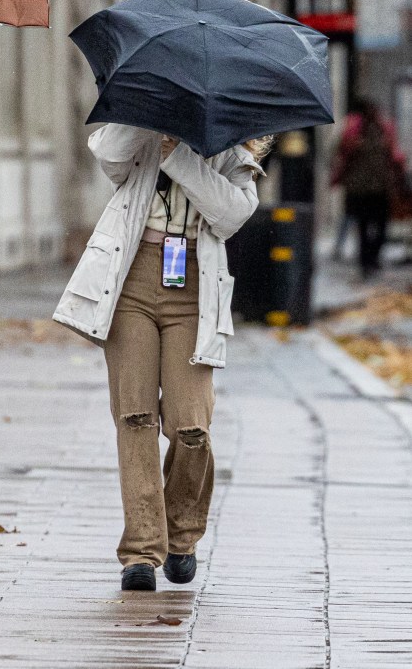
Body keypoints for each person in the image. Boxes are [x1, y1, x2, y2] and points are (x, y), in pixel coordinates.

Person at [53, 125, 270, 591]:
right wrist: (146, 120)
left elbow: (231, 215)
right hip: (131, 276)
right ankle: (141, 551)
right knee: (134, 416)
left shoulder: (233, 147)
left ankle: (181, 536)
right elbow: (108, 156)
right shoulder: (143, 126)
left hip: (194, 286)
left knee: (192, 426)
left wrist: (180, 157)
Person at [331, 99, 404, 278]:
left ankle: (373, 257)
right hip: (359, 188)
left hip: (380, 187)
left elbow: (394, 154)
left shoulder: (384, 129)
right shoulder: (353, 129)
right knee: (363, 226)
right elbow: (341, 151)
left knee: (381, 225)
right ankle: (365, 262)